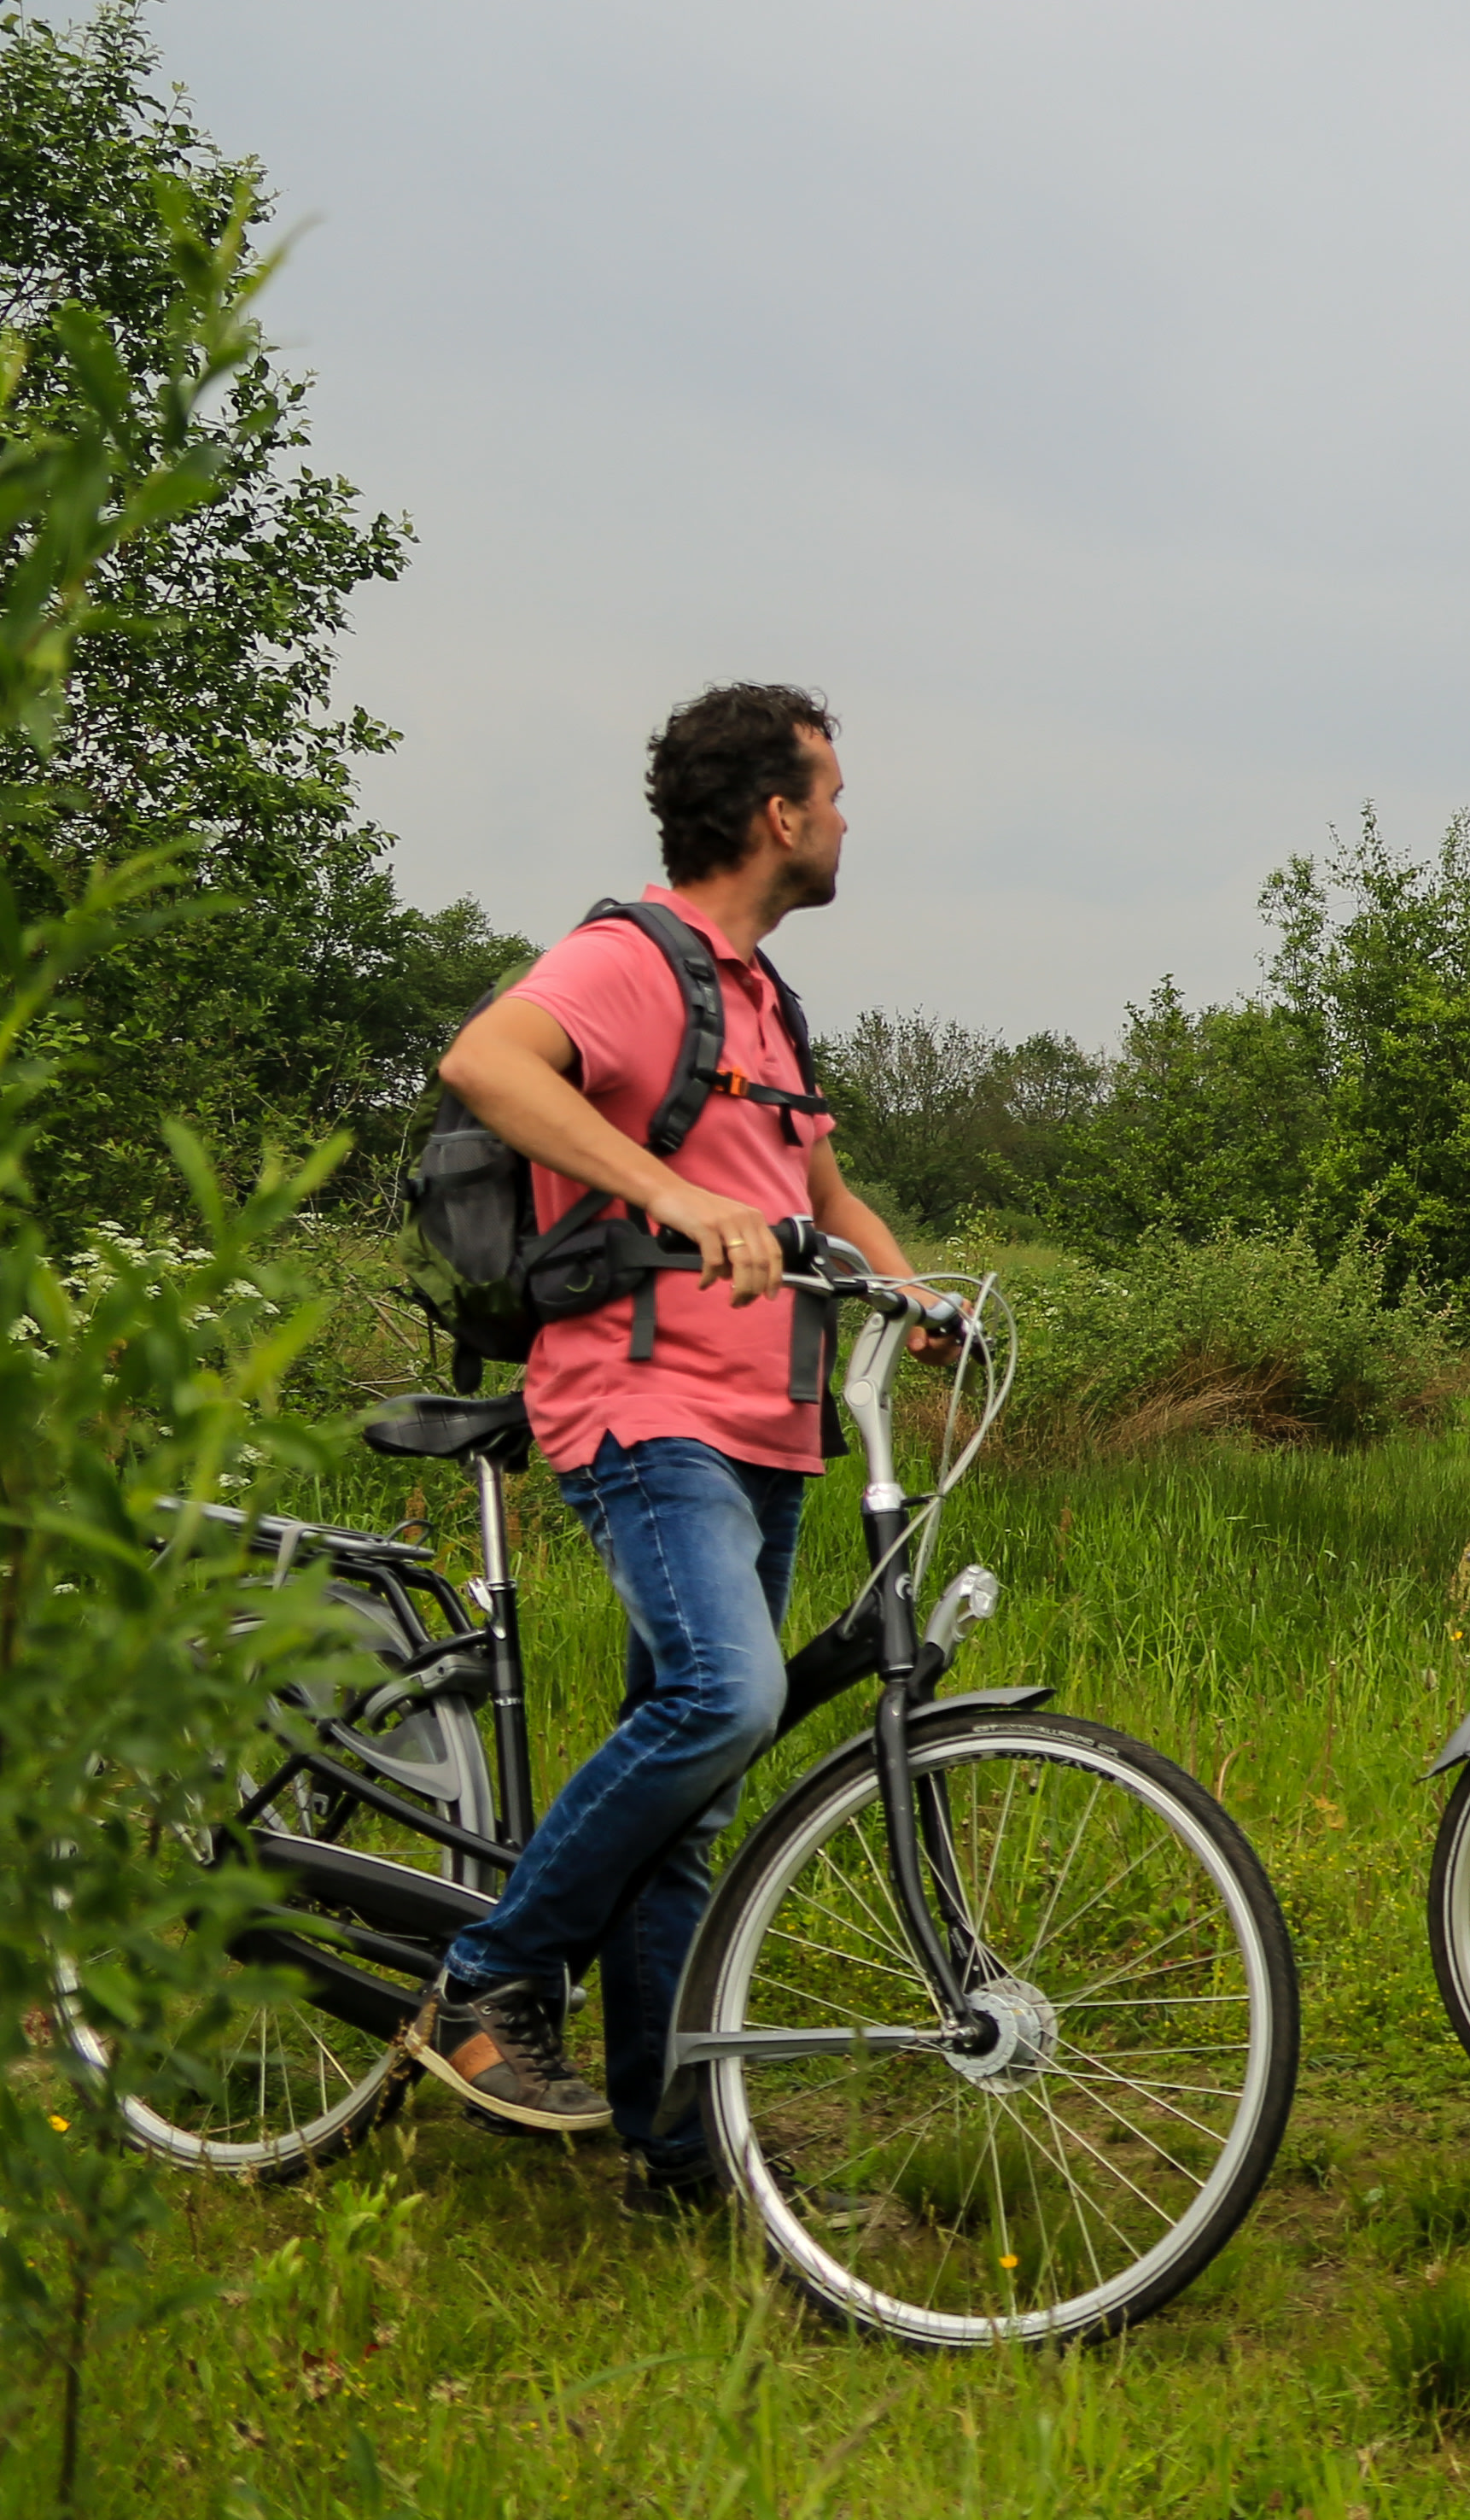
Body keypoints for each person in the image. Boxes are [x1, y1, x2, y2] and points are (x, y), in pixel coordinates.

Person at [417, 683, 946, 2212]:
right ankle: (488, 1978)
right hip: (647, 1415)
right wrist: (670, 1193)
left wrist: (914, 1293)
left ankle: (673, 2153)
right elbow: (488, 1066)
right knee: (729, 1694)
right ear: (778, 814)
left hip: (769, 1427)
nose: (847, 819)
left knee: (692, 1797)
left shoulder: (765, 1003)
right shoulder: (636, 961)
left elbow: (825, 1201)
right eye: (833, 792)